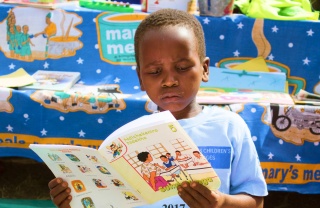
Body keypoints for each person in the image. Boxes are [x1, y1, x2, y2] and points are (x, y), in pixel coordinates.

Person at [48, 8, 267, 208]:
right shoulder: (130, 141)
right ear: (141, 79)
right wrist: (74, 201)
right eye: (154, 71)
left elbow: (256, 201)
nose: (169, 80)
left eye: (181, 67)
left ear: (205, 69)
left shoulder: (228, 127)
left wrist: (222, 203)